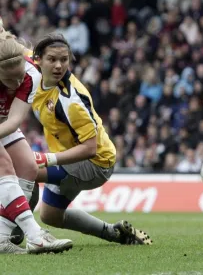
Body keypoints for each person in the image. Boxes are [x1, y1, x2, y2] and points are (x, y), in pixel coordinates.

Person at [13, 33, 152, 246]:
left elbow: (90, 148)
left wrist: (48, 159)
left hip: (96, 163)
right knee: (51, 216)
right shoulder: (32, 64)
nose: (59, 65)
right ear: (39, 59)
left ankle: (14, 232)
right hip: (70, 158)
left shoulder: (71, 100)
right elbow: (11, 46)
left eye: (64, 59)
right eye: (52, 60)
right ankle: (114, 233)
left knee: (23, 170)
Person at [0, 29, 73, 254]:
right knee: (5, 167)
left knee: (28, 168)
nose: (17, 82)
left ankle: (1, 238)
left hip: (3, 122)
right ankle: (35, 236)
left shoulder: (32, 74)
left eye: (19, 75)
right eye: (9, 79)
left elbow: (13, 121)